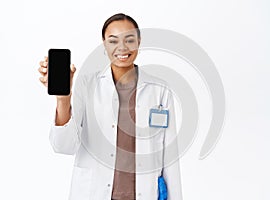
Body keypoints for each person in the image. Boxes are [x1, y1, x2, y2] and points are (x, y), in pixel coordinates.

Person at [38, 13, 183, 200]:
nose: (122, 47)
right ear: (104, 45)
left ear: (139, 41)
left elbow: (169, 157)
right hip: (93, 193)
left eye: (129, 39)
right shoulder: (87, 84)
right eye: (113, 41)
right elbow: (63, 146)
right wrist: (63, 99)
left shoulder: (159, 90)